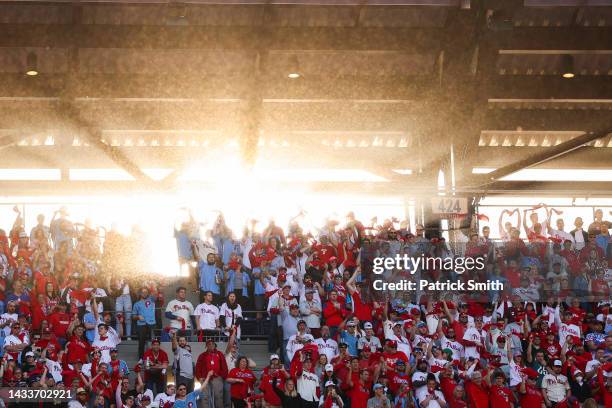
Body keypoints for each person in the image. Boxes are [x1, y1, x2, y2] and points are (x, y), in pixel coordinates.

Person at [195, 339, 227, 408]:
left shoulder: (219, 354)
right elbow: (198, 367)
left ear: (215, 345)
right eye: (209, 344)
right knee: (204, 397)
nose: (211, 345)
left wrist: (222, 376)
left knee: (218, 396)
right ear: (206, 346)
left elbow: (224, 366)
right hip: (204, 378)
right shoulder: (202, 355)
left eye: (212, 344)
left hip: (217, 378)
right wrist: (199, 377)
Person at [132, 287, 157, 358]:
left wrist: (152, 286)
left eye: (146, 292)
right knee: (141, 343)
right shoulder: (136, 304)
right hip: (141, 324)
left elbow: (155, 294)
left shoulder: (151, 300)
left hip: (152, 323)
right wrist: (138, 317)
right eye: (143, 292)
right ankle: (141, 359)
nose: (145, 293)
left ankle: (153, 358)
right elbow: (133, 316)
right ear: (140, 293)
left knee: (154, 342)